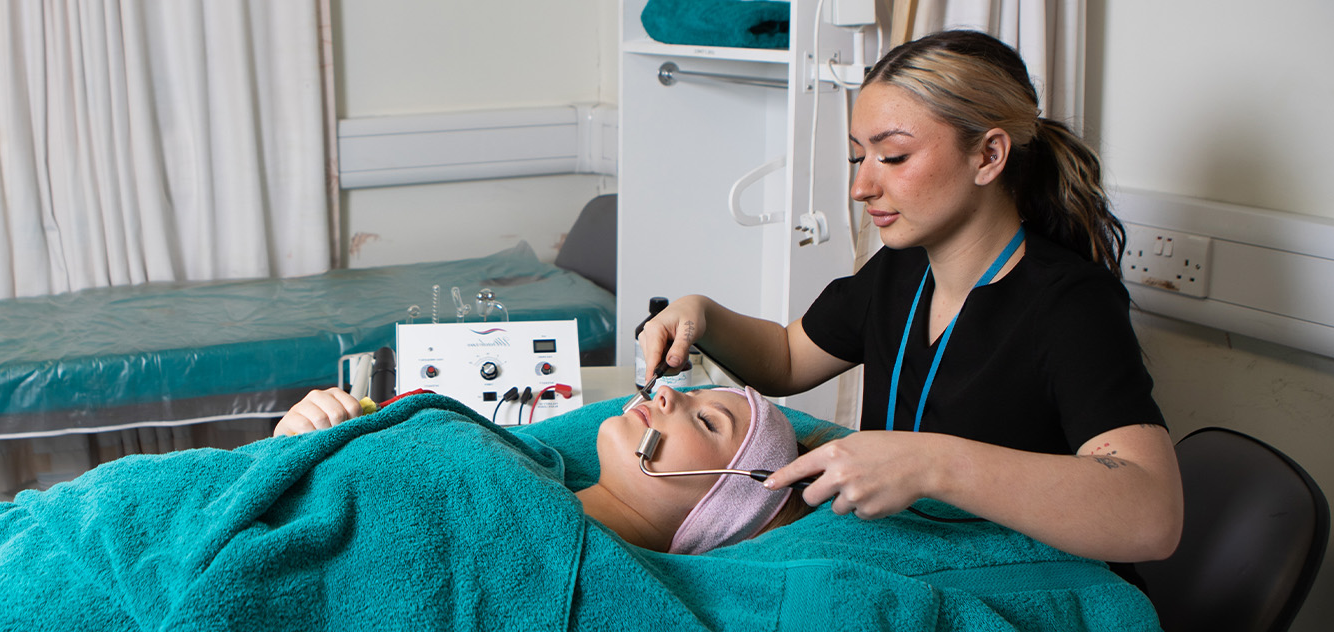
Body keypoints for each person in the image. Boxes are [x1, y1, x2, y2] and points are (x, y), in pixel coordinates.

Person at [636, 30, 1181, 564]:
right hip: (909, 571)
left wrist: (931, 465)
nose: (861, 187)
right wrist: (701, 314)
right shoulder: (901, 269)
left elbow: (1151, 515)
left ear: (989, 154)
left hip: (1031, 602)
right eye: (858, 159)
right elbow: (786, 358)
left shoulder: (1070, 304)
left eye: (892, 157)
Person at [275, 384, 811, 554]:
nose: (669, 393)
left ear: (720, 504)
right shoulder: (535, 463)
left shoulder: (576, 564)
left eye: (708, 422)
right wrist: (299, 440)